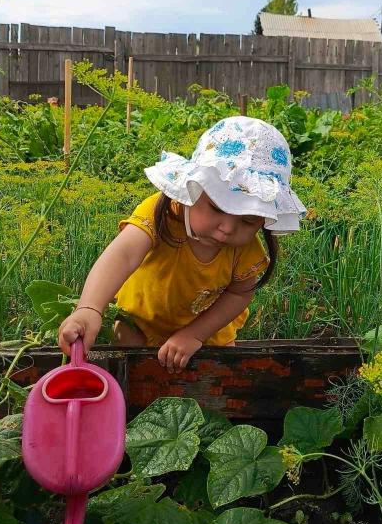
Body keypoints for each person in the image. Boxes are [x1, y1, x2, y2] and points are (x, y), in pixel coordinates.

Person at [57, 116, 305, 373]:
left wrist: (195, 335)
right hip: (140, 322)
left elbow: (239, 293)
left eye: (249, 220)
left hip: (206, 332)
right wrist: (89, 308)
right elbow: (122, 255)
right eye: (216, 208)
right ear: (194, 187)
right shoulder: (160, 214)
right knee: (131, 373)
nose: (228, 228)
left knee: (214, 382)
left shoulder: (246, 249)